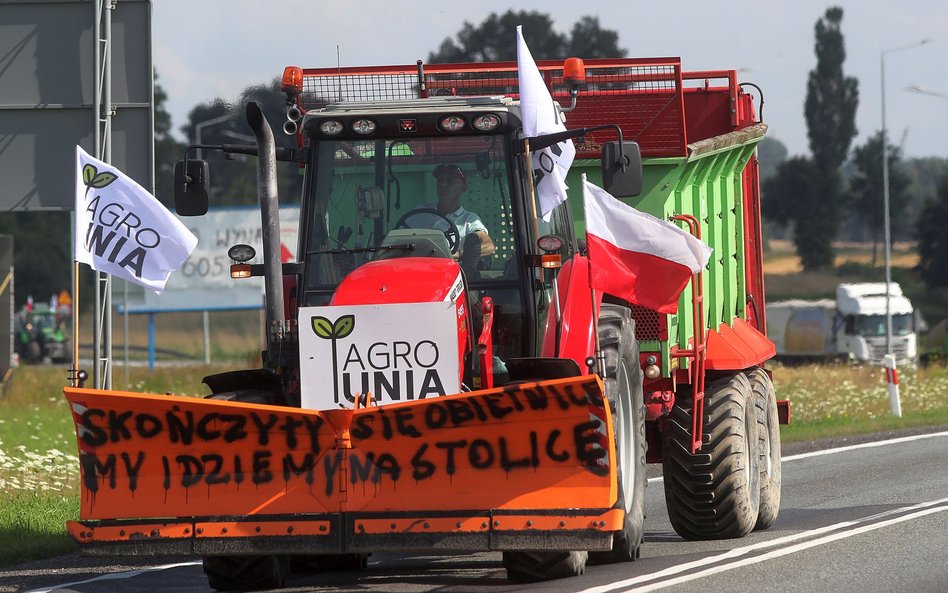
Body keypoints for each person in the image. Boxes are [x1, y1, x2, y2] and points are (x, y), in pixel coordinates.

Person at [430, 164, 496, 257]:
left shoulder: (469, 220)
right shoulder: (419, 214)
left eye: (450, 181)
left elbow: (489, 247)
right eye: (440, 181)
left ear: (464, 188)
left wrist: (458, 254)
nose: (443, 185)